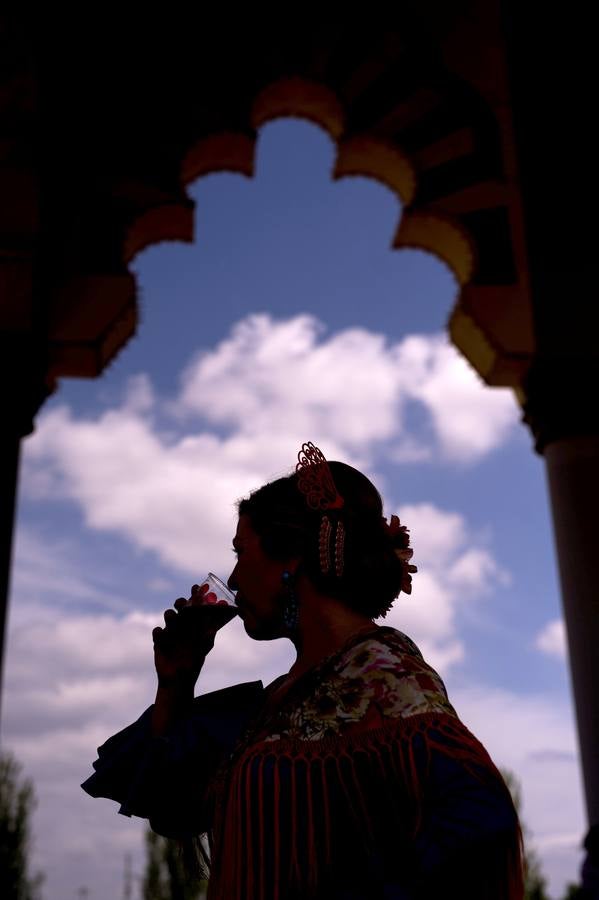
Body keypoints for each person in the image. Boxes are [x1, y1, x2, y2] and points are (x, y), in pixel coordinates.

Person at [82, 442, 524, 899]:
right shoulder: (278, 701)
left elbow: (481, 834)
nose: (232, 579)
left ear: (291, 556)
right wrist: (176, 682)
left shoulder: (385, 678)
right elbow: (172, 805)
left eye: (241, 551)